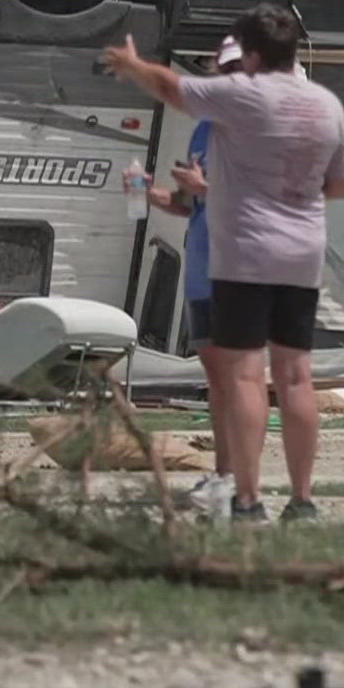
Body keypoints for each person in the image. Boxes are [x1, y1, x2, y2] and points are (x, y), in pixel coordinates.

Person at [103, 4, 344, 523]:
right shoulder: (326, 105)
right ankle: (303, 500)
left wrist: (131, 64)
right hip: (302, 253)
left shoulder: (243, 97)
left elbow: (172, 88)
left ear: (254, 55)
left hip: (245, 253)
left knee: (242, 378)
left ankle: (247, 498)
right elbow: (339, 187)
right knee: (296, 378)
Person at [146, 36, 245, 513]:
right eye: (222, 69)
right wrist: (155, 193)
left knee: (239, 376)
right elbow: (191, 204)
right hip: (203, 263)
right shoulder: (205, 128)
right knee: (216, 378)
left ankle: (243, 484)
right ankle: (223, 476)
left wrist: (207, 186)